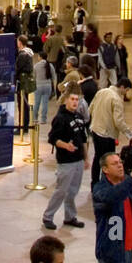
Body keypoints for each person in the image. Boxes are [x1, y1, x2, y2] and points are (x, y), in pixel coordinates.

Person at [42, 91, 89, 231]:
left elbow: (83, 140)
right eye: (72, 99)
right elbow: (52, 138)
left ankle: (70, 216)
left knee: (73, 190)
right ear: (66, 100)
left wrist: (86, 158)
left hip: (78, 160)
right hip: (66, 161)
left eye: (77, 100)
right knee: (61, 190)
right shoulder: (60, 118)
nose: (75, 102)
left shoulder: (79, 117)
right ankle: (48, 216)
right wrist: (65, 146)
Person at [87, 78, 132, 186]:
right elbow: (118, 121)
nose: (126, 93)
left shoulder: (101, 91)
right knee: (108, 161)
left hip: (95, 129)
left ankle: (94, 183)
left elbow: (90, 109)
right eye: (126, 90)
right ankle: (106, 184)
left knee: (97, 157)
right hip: (107, 134)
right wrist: (130, 134)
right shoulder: (117, 99)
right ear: (122, 87)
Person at [32, 51, 54, 126]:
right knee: (45, 103)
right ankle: (43, 119)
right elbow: (53, 77)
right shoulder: (50, 65)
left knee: (36, 103)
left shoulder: (36, 66)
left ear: (40, 57)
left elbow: (33, 77)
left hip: (38, 86)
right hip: (47, 86)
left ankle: (35, 118)